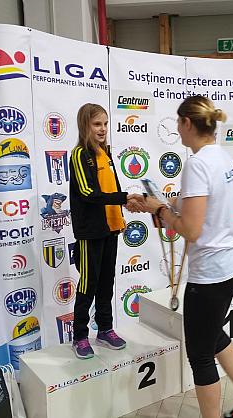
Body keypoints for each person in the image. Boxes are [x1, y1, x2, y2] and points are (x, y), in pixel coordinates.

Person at [142, 96, 233, 418]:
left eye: (177, 122)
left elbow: (191, 230)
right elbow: (201, 204)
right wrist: (165, 203)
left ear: (186, 123)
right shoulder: (220, 156)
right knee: (212, 334)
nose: (177, 129)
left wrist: (161, 211)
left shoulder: (197, 164)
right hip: (232, 265)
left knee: (199, 353)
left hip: (212, 274)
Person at [69, 103, 144, 359]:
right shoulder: (80, 154)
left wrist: (122, 210)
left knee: (106, 283)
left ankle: (105, 329)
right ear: (85, 126)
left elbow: (112, 187)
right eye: (96, 124)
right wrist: (124, 198)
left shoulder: (106, 153)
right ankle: (80, 336)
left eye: (105, 124)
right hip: (90, 232)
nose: (102, 129)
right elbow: (88, 193)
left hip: (110, 229)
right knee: (88, 285)